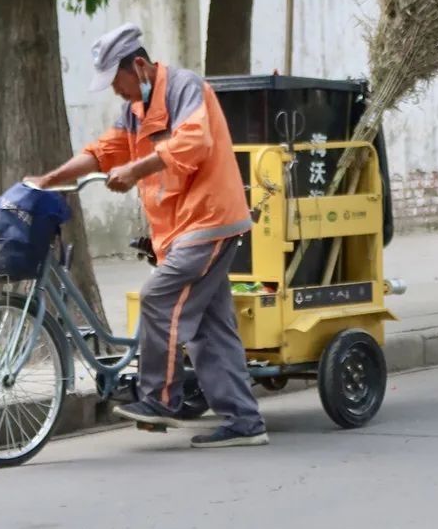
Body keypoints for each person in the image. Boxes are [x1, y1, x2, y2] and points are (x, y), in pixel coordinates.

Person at [27, 23, 268, 449]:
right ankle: (245, 422)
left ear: (138, 65)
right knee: (211, 328)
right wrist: (52, 178)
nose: (116, 92)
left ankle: (160, 398)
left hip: (209, 220)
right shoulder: (135, 109)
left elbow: (194, 142)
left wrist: (137, 169)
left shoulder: (185, 88)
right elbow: (105, 151)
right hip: (183, 228)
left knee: (158, 297)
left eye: (116, 82)